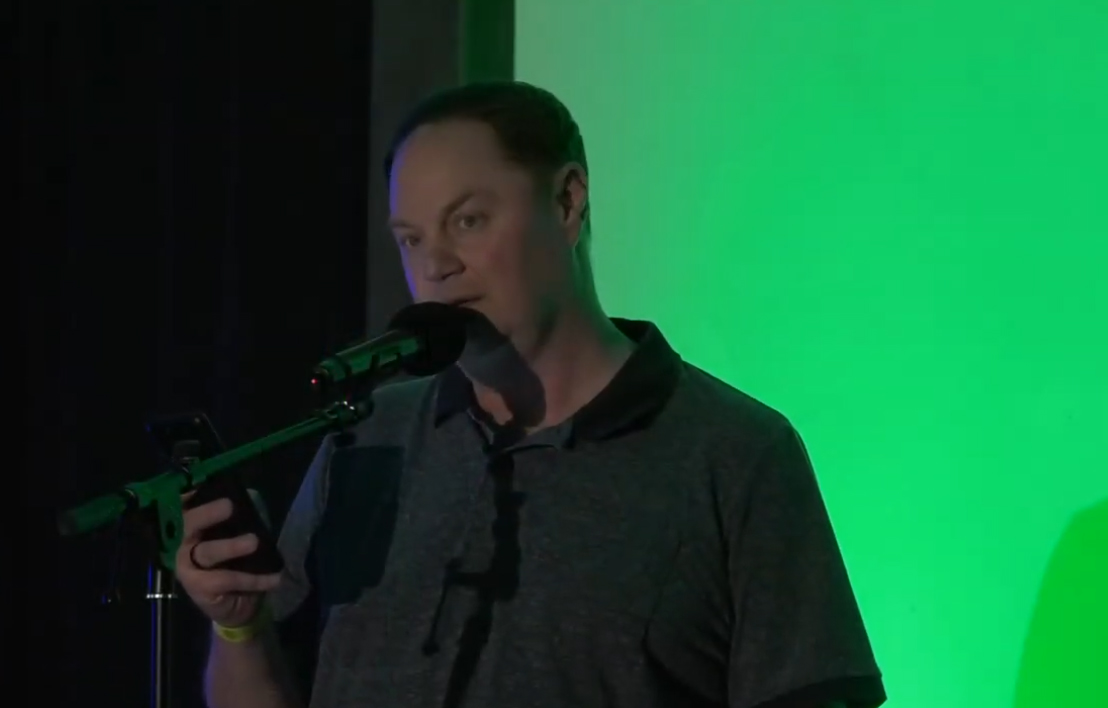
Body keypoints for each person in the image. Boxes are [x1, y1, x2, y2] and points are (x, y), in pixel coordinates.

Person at [175, 81, 887, 708]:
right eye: (410, 239)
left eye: (468, 221)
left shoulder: (734, 454)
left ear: (567, 201)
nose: (436, 266)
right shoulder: (364, 439)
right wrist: (240, 629)